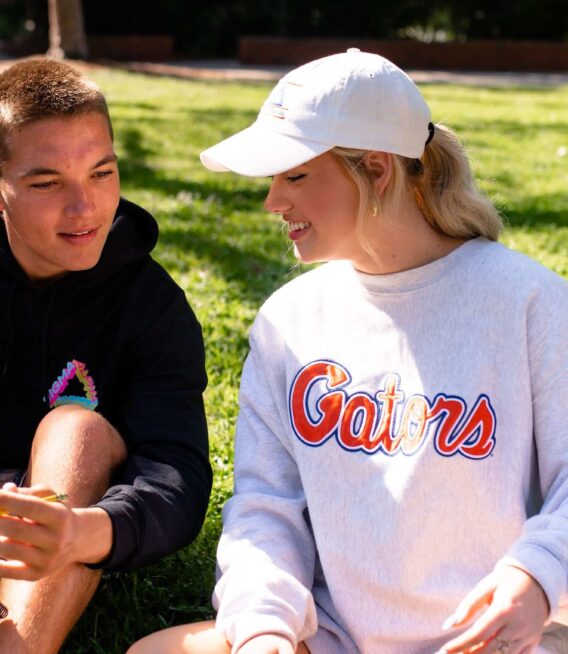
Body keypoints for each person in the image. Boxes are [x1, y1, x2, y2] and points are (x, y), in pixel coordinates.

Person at [128, 49, 568, 654]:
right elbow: (264, 507)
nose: (272, 202)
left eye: (296, 176)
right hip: (338, 641)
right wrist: (263, 629)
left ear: (377, 170)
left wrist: (535, 577)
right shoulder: (289, 320)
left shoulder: (530, 303)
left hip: (495, 643)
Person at [0, 58, 211, 653]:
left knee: (77, 430)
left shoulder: (152, 307)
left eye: (101, 173)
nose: (85, 208)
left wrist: (81, 531)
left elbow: (178, 479)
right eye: (46, 184)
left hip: (77, 519)